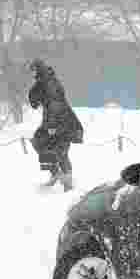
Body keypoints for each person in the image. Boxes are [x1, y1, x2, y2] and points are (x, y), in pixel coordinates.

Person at [28, 59, 83, 191]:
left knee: (60, 151)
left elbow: (55, 104)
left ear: (38, 69)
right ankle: (56, 174)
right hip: (53, 122)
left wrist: (52, 126)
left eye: (34, 70)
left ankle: (68, 183)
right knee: (41, 143)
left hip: (62, 122)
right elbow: (36, 101)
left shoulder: (49, 82)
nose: (32, 73)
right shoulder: (43, 82)